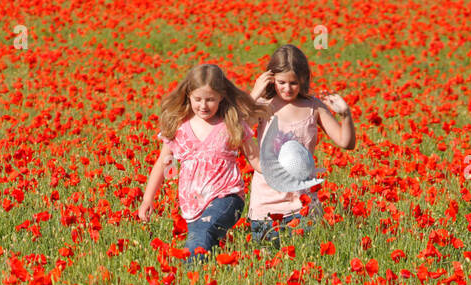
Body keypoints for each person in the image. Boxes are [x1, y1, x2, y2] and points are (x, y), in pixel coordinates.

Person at [138, 64, 264, 257]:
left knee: (201, 237)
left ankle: (186, 275)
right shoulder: (179, 126)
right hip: (192, 205)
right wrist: (148, 199)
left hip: (227, 196)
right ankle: (203, 281)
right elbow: (164, 163)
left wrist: (282, 172)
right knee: (205, 244)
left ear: (221, 96)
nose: (203, 106)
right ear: (188, 94)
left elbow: (256, 161)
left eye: (210, 100)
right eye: (198, 99)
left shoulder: (232, 124)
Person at [248, 44, 355, 246]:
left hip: (302, 203)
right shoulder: (263, 105)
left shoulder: (314, 107)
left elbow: (345, 142)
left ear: (304, 79)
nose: (287, 88)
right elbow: (236, 127)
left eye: (293, 83)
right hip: (265, 203)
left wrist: (345, 114)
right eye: (281, 82)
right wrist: (254, 94)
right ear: (271, 79)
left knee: (304, 263)